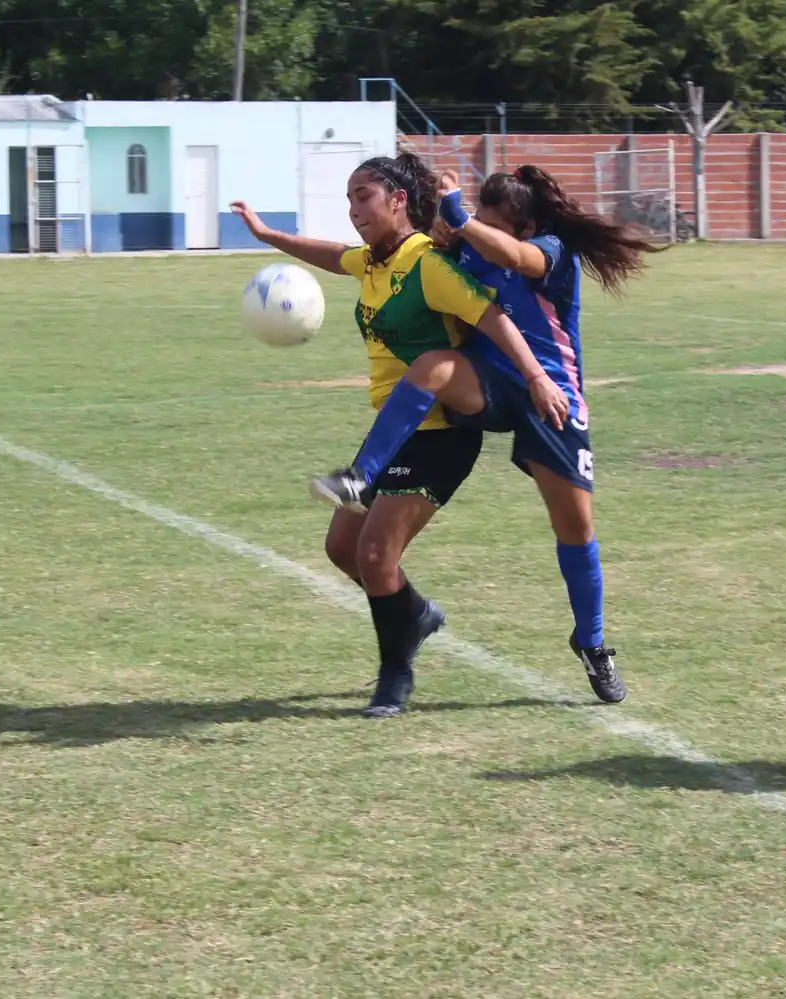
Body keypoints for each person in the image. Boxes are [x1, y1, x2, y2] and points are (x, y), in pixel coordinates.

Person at [309, 165, 659, 704]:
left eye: (496, 224)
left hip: (549, 395)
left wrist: (463, 221)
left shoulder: (551, 251)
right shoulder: (464, 249)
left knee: (575, 525)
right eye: (480, 219)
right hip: (490, 385)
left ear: (524, 226)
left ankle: (591, 642)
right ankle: (362, 477)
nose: (482, 231)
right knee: (432, 365)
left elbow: (516, 258)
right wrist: (445, 220)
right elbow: (416, 248)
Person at [230, 152, 561, 718]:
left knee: (377, 553)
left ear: (398, 200)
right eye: (350, 198)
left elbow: (492, 319)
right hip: (392, 429)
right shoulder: (373, 262)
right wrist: (266, 233)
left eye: (365, 196)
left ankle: (395, 673)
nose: (355, 209)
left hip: (440, 436)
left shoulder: (428, 263)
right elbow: (333, 257)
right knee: (342, 550)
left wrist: (536, 377)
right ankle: (414, 615)